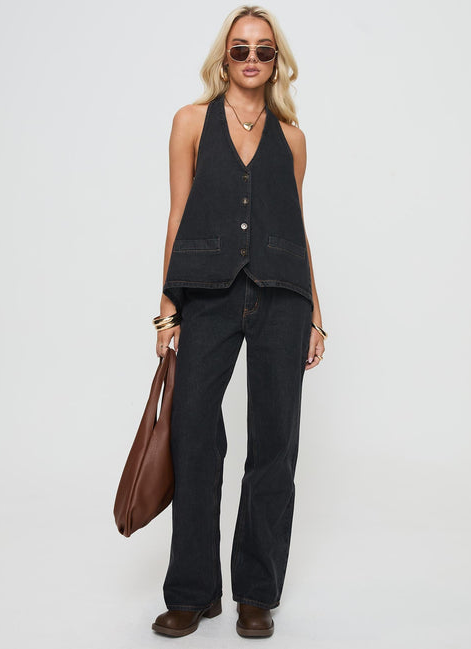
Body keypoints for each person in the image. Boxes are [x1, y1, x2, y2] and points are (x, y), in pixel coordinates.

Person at [151, 4, 327, 639]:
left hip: (283, 297)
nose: (252, 59)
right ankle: (193, 592)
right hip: (207, 294)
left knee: (274, 445)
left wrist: (317, 314)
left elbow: (297, 226)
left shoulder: (293, 138)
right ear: (223, 59)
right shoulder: (190, 121)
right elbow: (177, 214)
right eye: (240, 49)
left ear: (277, 62)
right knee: (194, 436)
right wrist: (167, 307)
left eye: (264, 50)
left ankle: (257, 592)